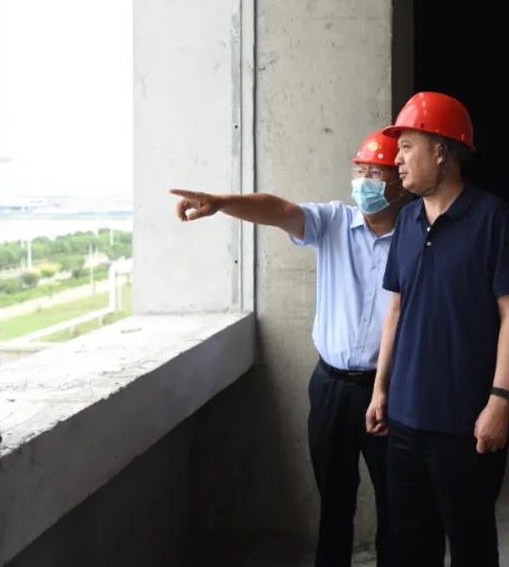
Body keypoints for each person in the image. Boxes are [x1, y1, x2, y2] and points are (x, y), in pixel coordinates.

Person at [171, 129, 407, 567]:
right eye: (359, 171)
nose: (363, 182)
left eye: (375, 173)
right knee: (334, 500)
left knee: (396, 503)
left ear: (400, 182)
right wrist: (221, 203)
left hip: (389, 390)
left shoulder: (415, 237)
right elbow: (279, 210)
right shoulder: (334, 222)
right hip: (331, 386)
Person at [364, 91, 509, 567]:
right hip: (404, 420)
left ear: (441, 151)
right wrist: (380, 389)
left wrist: (499, 400)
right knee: (411, 549)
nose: (396, 159)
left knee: (472, 548)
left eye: (406, 147)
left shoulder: (490, 218)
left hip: (465, 424)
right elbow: (397, 308)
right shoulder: (407, 220)